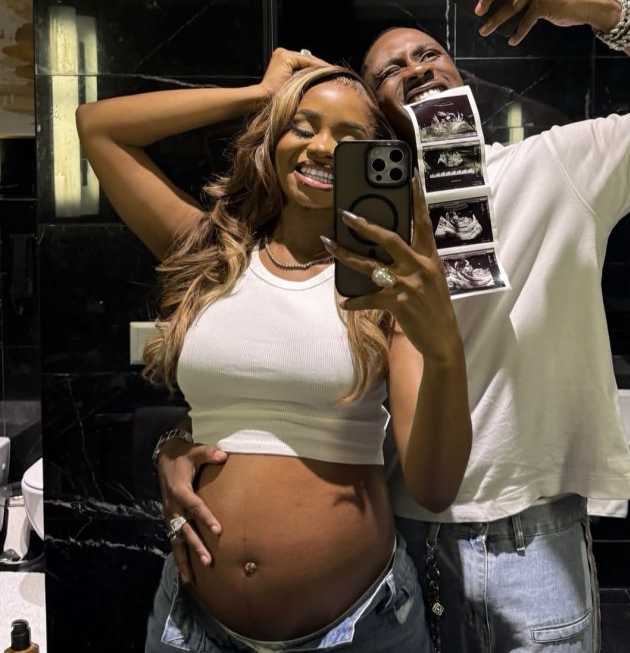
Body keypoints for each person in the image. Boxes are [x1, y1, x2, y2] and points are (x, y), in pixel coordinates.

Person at [156, 0, 630, 653]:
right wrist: (181, 441)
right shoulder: (346, 226)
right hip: (395, 534)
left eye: (429, 54)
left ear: (460, 74)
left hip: (528, 530)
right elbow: (274, 359)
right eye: (390, 70)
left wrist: (604, 13)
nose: (415, 67)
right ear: (375, 119)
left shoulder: (556, 165)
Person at [75, 56, 472, 652]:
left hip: (358, 630)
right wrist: (257, 93)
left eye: (349, 139)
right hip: (194, 627)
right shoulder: (211, 253)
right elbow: (98, 127)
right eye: (301, 126)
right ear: (272, 138)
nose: (321, 148)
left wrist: (443, 351)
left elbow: (434, 487)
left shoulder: (387, 286)